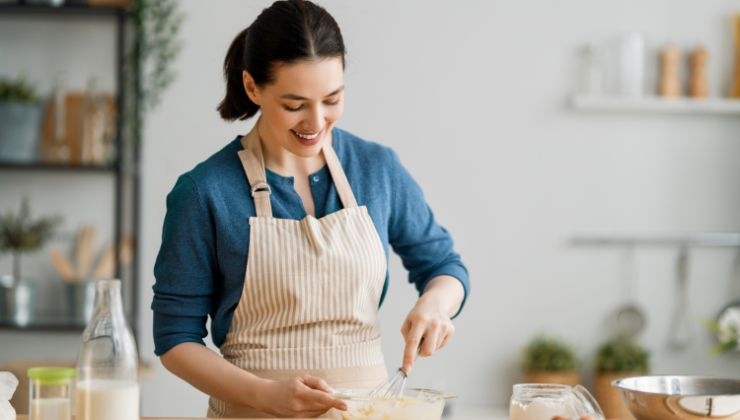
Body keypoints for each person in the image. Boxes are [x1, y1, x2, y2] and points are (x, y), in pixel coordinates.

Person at [151, 0, 469, 418]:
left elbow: (444, 265)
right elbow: (176, 339)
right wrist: (266, 395)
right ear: (252, 87)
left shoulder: (377, 169)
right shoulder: (203, 192)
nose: (316, 122)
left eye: (332, 99)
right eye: (295, 104)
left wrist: (436, 304)